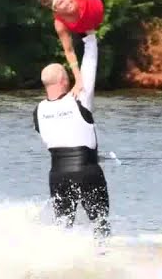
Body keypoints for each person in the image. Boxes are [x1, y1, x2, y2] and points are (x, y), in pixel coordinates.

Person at [32, 32, 111, 238]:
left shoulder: (38, 111)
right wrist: (90, 37)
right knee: (100, 225)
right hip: (86, 171)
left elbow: (58, 140)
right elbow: (89, 65)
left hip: (57, 176)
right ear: (63, 80)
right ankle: (103, 257)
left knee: (63, 229)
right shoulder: (80, 98)